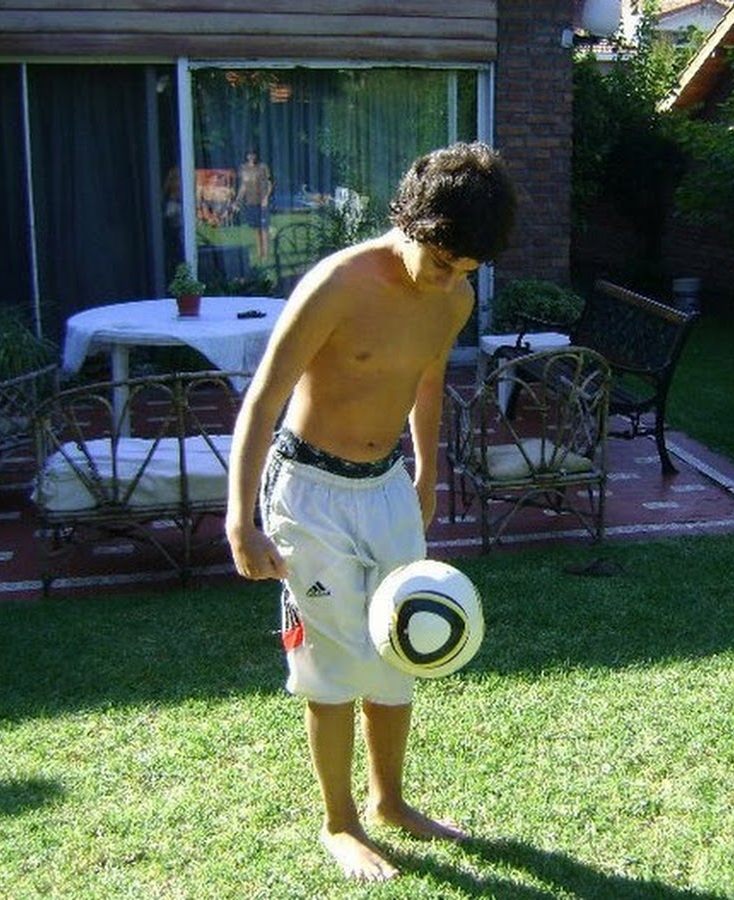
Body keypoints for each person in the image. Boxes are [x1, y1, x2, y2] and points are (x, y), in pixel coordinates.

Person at [226, 141, 517, 882]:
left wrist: (426, 470)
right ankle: (340, 822)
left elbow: (428, 380)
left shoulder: (455, 297)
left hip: (386, 486)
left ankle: (390, 802)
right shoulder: (337, 284)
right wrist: (240, 520)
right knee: (332, 664)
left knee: (398, 646)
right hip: (309, 492)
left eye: (466, 270)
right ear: (411, 221)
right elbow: (263, 398)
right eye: (442, 261)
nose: (449, 281)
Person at [235, 148, 273, 259]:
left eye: (253, 154)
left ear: (256, 155)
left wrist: (266, 198)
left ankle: (266, 254)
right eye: (249, 154)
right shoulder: (243, 168)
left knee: (264, 228)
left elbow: (270, 183)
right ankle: (259, 253)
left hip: (262, 202)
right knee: (256, 228)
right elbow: (243, 186)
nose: (251, 157)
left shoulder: (263, 167)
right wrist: (238, 200)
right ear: (246, 156)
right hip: (250, 202)